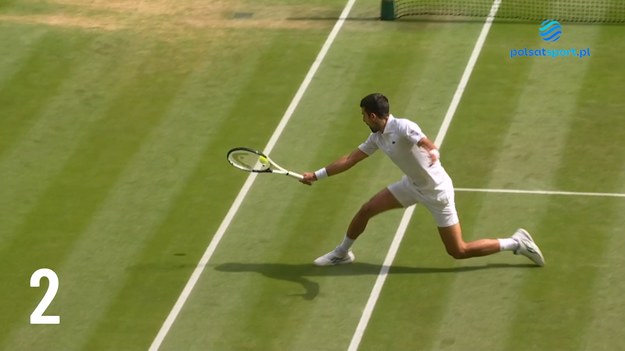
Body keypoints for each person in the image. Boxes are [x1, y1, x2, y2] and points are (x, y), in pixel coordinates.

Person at [300, 93, 545, 267]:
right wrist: (316, 175)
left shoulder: (403, 126)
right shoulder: (376, 138)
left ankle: (516, 242)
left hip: (438, 193)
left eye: (364, 115)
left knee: (458, 251)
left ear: (373, 115)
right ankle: (342, 253)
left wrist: (433, 150)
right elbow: (350, 159)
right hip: (411, 186)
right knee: (366, 210)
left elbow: (425, 142)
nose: (363, 119)